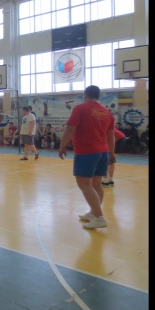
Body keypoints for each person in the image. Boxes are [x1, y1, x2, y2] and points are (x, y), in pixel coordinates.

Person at [58, 85, 116, 229]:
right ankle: (93, 213)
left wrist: (62, 146)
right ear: (98, 96)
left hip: (87, 152)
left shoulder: (80, 109)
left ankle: (99, 217)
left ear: (85, 95)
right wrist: (111, 152)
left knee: (84, 184)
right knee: (96, 184)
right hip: (103, 152)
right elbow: (111, 135)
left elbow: (70, 128)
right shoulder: (107, 113)